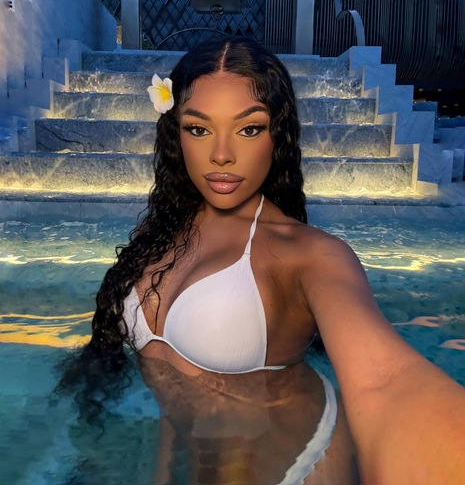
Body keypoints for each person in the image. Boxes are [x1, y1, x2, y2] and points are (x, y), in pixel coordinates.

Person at [59, 36, 465, 485]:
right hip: (192, 454)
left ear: (278, 135)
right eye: (199, 129)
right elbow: (172, 390)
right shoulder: (158, 236)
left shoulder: (309, 254)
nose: (221, 154)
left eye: (249, 129)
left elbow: (385, 381)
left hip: (296, 464)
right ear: (175, 134)